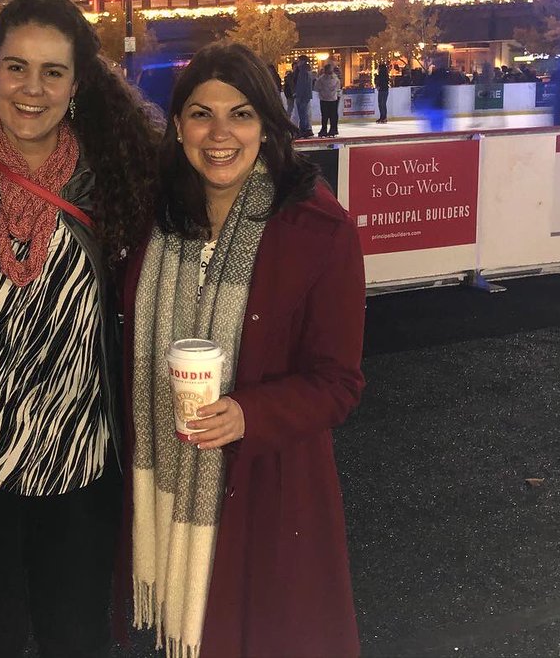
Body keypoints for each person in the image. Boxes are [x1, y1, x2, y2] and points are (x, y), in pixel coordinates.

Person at [0, 0, 160, 658]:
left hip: (83, 458)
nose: (33, 88)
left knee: (76, 639)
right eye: (16, 67)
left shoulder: (117, 178)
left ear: (77, 83)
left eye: (53, 72)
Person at [125, 42, 365, 658]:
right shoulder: (153, 219)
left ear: (267, 123)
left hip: (269, 486)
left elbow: (339, 382)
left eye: (241, 114)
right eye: (201, 114)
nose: (219, 134)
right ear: (178, 126)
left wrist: (248, 413)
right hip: (166, 476)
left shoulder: (318, 229)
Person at [315, 61, 342, 137]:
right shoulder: (336, 79)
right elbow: (338, 88)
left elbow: (317, 88)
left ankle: (324, 130)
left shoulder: (321, 79)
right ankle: (333, 130)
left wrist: (322, 92)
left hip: (324, 99)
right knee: (333, 115)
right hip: (333, 99)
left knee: (325, 116)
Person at [292, 55, 314, 138]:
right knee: (303, 112)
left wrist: (298, 94)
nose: (298, 62)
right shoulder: (306, 70)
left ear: (302, 61)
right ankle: (305, 129)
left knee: (302, 113)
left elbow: (302, 84)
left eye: (299, 60)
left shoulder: (303, 70)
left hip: (302, 95)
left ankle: (304, 129)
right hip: (304, 95)